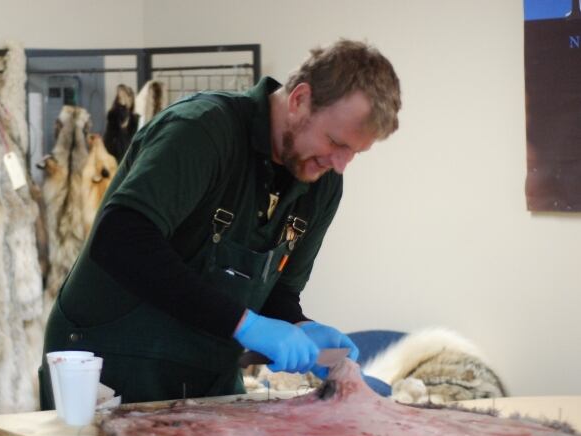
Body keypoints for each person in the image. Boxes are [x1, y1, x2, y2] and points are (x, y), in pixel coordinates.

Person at [39, 39, 401, 406]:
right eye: (336, 142)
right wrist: (247, 326)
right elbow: (120, 239)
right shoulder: (201, 131)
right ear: (299, 100)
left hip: (206, 374)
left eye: (354, 153)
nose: (339, 164)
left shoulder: (321, 185)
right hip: (108, 367)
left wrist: (299, 326)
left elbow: (278, 293)